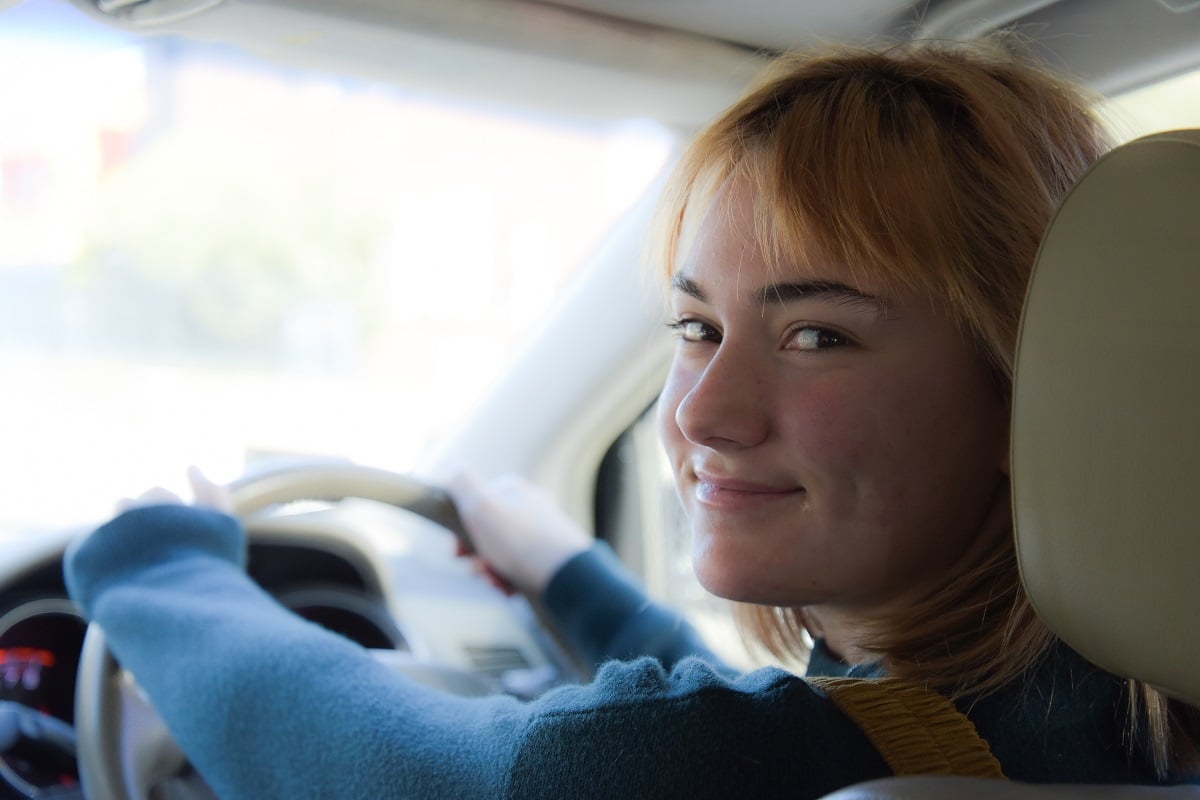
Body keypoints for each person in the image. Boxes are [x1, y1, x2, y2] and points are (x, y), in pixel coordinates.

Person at [64, 39, 1200, 799]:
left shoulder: (728, 754)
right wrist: (572, 575)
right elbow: (798, 726)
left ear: (1035, 391)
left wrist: (157, 567)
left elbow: (378, 761)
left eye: (817, 335)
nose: (704, 412)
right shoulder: (1111, 716)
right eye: (695, 326)